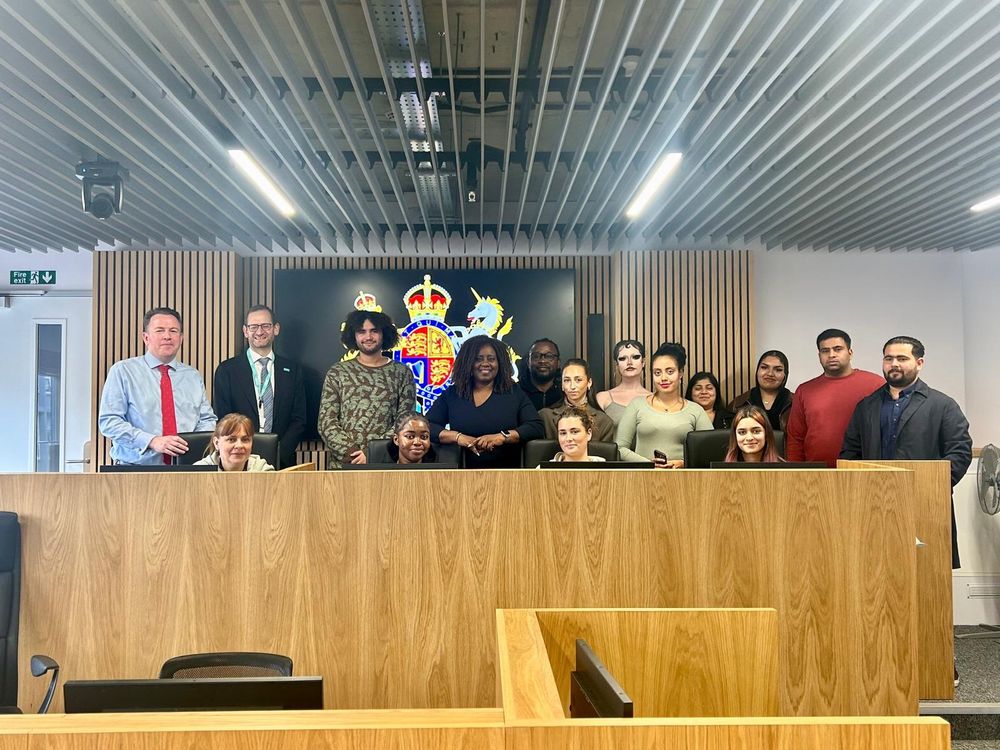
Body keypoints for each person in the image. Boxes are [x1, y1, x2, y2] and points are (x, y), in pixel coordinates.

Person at [840, 336, 971, 568]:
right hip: (873, 506)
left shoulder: (942, 405)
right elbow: (850, 453)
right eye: (888, 358)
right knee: (876, 574)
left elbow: (959, 452)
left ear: (919, 363)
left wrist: (931, 486)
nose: (894, 364)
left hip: (925, 505)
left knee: (927, 577)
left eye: (902, 358)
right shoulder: (866, 406)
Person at [98, 306, 216, 465]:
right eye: (160, 330)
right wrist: (152, 441)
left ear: (181, 338)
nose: (167, 336)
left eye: (173, 331)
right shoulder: (123, 371)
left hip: (187, 469)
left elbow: (207, 419)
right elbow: (109, 421)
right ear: (146, 338)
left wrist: (191, 445)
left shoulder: (192, 376)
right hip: (134, 470)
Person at [212, 305, 307, 469]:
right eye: (253, 327)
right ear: (245, 331)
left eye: (265, 326)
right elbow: (223, 417)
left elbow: (299, 419)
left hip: (282, 461)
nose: (259, 332)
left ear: (275, 329)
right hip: (239, 459)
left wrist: (278, 452)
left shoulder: (292, 371)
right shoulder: (227, 370)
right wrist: (244, 449)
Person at [427, 335, 543, 468]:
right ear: (468, 363)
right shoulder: (453, 393)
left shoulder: (513, 391)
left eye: (491, 359)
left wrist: (501, 437)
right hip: (461, 473)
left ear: (499, 363)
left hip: (508, 473)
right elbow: (428, 427)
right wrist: (458, 437)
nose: (485, 363)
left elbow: (535, 427)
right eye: (478, 359)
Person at [318, 310, 416, 465]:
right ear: (353, 335)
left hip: (385, 464)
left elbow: (404, 422)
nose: (368, 337)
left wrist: (372, 454)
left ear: (384, 334)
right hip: (343, 466)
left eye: (374, 331)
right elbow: (326, 422)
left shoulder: (402, 373)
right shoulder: (337, 372)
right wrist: (353, 454)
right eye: (361, 332)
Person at [785, 329, 883, 467]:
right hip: (816, 473)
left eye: (838, 349)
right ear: (819, 355)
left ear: (850, 353)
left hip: (863, 471)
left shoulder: (876, 384)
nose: (831, 355)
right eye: (825, 351)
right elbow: (796, 437)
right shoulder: (805, 390)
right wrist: (795, 471)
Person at [615, 342, 713, 468]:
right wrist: (649, 465)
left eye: (670, 371)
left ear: (681, 373)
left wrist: (683, 463)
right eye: (657, 373)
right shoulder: (637, 405)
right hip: (642, 479)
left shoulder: (696, 410)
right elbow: (620, 448)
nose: (663, 378)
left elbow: (710, 451)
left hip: (684, 480)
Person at [539, 358, 616, 443]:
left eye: (578, 380)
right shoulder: (546, 416)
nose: (572, 386)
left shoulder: (603, 421)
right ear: (562, 385)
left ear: (589, 383)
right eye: (567, 380)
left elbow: (605, 454)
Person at [728, 350, 794, 432]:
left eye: (778, 370)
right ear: (757, 371)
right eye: (764, 367)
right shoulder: (738, 404)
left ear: (785, 375)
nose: (770, 373)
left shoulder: (796, 402)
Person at [596, 339, 652, 424]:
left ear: (643, 362)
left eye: (635, 357)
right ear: (617, 364)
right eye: (622, 358)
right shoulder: (603, 398)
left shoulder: (655, 399)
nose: (629, 362)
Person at [194, 413, 275, 471]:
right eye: (231, 439)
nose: (239, 445)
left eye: (245, 439)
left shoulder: (264, 471)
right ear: (216, 443)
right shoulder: (197, 472)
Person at [519, 338, 563, 410]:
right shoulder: (516, 392)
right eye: (536, 356)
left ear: (558, 363)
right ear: (528, 362)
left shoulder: (565, 392)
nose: (542, 361)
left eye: (549, 356)